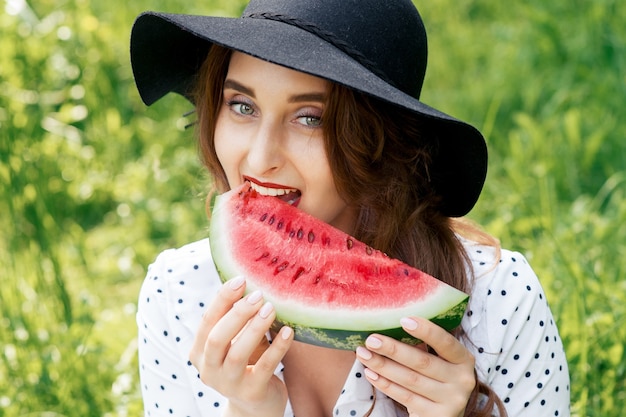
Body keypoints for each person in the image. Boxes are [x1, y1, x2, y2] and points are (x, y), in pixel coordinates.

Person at [129, 1, 570, 416]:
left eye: (310, 117)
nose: (260, 157)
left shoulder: (500, 301)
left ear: (379, 141)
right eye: (242, 106)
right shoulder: (177, 295)